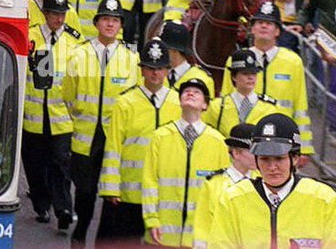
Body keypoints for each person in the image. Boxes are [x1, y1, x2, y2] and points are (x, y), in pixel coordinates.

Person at [207, 114, 336, 249]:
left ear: (294, 158)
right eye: (264, 159)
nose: (272, 167)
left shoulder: (323, 198)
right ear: (256, 160)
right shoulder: (232, 199)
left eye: (279, 158)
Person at [62, 0, 138, 248]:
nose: (110, 24)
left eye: (115, 20)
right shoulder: (79, 54)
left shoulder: (130, 59)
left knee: (111, 193)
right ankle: (81, 230)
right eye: (105, 19)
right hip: (86, 137)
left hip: (115, 138)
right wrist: (83, 116)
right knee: (84, 192)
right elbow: (68, 94)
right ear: (96, 23)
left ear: (120, 25)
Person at [98, 37, 181, 242]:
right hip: (129, 193)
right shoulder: (125, 102)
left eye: (160, 68)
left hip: (164, 194)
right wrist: (110, 186)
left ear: (168, 70)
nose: (155, 73)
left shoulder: (177, 102)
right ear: (141, 69)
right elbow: (114, 147)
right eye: (150, 67)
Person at [23, 0, 84, 234]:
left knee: (60, 165)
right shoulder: (31, 37)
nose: (59, 18)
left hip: (61, 118)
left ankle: (63, 210)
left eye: (62, 13)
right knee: (35, 165)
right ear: (46, 13)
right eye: (54, 13)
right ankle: (41, 205)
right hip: (33, 117)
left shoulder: (73, 43)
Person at [141, 78, 229, 246]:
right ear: (179, 101)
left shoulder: (217, 141)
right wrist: (151, 219)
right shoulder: (161, 136)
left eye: (197, 92)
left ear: (205, 105)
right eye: (186, 91)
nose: (190, 93)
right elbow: (150, 180)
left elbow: (222, 188)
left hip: (199, 237)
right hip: (162, 234)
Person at [236, 0, 313, 158]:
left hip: (282, 138)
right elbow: (228, 102)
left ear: (278, 31)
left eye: (269, 23)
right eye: (260, 22)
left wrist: (304, 148)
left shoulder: (293, 62)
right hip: (247, 140)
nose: (264, 26)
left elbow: (300, 106)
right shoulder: (237, 59)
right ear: (252, 29)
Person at [190, 123, 257, 249]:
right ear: (236, 153)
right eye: (253, 151)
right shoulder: (213, 184)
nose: (258, 156)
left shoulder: (262, 182)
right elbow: (203, 223)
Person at [203, 50, 277, 136]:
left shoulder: (269, 108)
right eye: (245, 73)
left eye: (254, 73)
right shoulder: (217, 106)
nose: (250, 78)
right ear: (234, 77)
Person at [161, 20, 217, 95]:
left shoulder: (202, 78)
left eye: (163, 48)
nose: (160, 52)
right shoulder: (157, 75)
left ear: (174, 50)